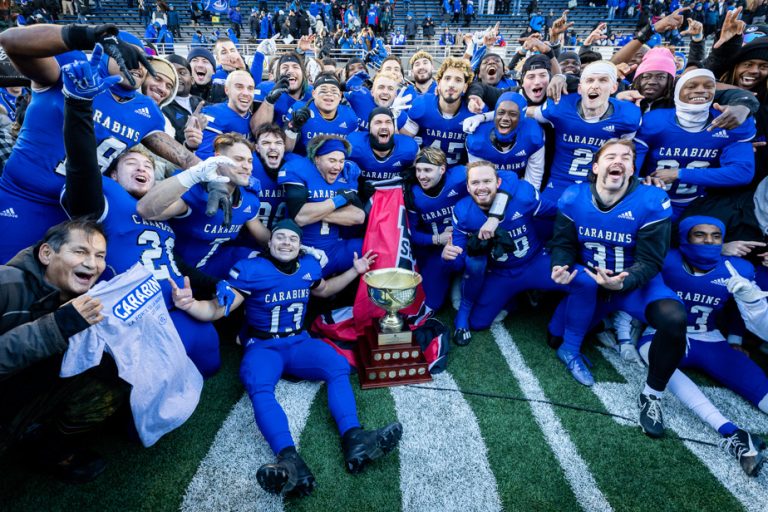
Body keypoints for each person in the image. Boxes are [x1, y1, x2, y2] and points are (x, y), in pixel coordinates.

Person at [170, 219, 402, 497]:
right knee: (258, 385)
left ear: (299, 245)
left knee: (337, 366)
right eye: (280, 237)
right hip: (263, 346)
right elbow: (217, 311)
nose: (286, 243)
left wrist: (355, 270)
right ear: (269, 242)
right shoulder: (251, 269)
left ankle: (355, 438)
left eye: (292, 239)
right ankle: (289, 460)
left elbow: (325, 289)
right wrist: (191, 304)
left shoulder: (308, 266)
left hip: (299, 342)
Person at [0, 24, 201, 264]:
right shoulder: (76, 68)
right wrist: (84, 35)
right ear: (105, 52)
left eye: (142, 59)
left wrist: (216, 174)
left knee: (57, 292)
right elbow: (9, 40)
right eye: (128, 52)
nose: (136, 63)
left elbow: (186, 158)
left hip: (77, 215)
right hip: (23, 197)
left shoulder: (146, 111)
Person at [548, 139, 687, 436]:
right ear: (596, 166)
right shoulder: (574, 197)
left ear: (633, 168)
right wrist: (559, 266)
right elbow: (562, 244)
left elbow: (651, 261)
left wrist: (623, 281)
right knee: (554, 336)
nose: (619, 160)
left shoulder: (650, 200)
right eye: (611, 156)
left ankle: (652, 395)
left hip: (635, 284)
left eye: (627, 157)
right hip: (592, 283)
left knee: (674, 318)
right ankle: (584, 339)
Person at [633, 216, 768, 475]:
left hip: (710, 338)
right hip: (664, 336)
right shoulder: (666, 259)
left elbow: (742, 312)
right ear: (685, 237)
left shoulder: (736, 268)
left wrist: (735, 339)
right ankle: (733, 434)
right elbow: (639, 295)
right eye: (700, 235)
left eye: (716, 236)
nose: (708, 241)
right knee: (659, 366)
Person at [0, 218, 127, 483]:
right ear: (47, 253)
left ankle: (43, 448)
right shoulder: (5, 284)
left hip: (26, 394)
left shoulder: (87, 297)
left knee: (106, 383)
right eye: (80, 251)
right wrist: (58, 326)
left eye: (100, 255)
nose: (93, 264)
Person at [137, 133, 271, 279]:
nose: (246, 166)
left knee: (264, 263)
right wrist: (192, 175)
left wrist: (290, 237)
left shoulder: (248, 198)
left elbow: (264, 238)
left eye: (250, 161)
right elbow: (146, 210)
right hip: (177, 268)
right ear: (218, 159)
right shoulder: (195, 189)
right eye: (238, 159)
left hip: (213, 263)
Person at [635, 69, 756, 219]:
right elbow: (632, 170)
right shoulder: (653, 120)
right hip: (652, 201)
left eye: (708, 86)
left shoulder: (730, 121)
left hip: (701, 204)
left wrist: (679, 174)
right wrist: (641, 182)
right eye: (691, 86)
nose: (700, 91)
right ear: (677, 92)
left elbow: (742, 173)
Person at [530, 61, 641, 204]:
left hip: (597, 186)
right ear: (580, 89)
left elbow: (628, 152)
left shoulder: (627, 116)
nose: (595, 85)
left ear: (614, 87)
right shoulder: (560, 106)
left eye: (603, 80)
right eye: (590, 80)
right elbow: (526, 112)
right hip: (558, 184)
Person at [278, 135, 365, 278]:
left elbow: (358, 216)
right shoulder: (298, 169)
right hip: (304, 249)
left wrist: (313, 212)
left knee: (375, 250)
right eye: (332, 160)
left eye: (341, 161)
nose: (337, 166)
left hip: (335, 247)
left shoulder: (346, 173)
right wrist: (338, 201)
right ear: (317, 158)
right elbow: (299, 217)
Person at [401, 57, 478, 166]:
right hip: (427, 171)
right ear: (438, 83)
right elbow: (402, 140)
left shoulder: (474, 110)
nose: (451, 84)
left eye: (458, 80)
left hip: (460, 173)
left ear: (465, 87)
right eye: (447, 78)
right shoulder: (423, 104)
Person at [465, 91, 545, 188]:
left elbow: (533, 183)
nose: (505, 118)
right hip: (488, 188)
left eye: (513, 114)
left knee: (526, 197)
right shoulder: (478, 138)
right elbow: (480, 182)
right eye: (501, 113)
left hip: (518, 186)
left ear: (521, 119)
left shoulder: (532, 136)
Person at [186, 70, 255, 159]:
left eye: (250, 88)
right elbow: (203, 157)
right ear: (227, 90)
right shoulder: (214, 114)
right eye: (239, 87)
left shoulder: (254, 114)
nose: (246, 93)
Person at [284, 72, 357, 155]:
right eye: (323, 90)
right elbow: (286, 150)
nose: (329, 94)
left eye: (333, 91)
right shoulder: (300, 109)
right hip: (305, 163)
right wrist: (293, 129)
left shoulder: (349, 115)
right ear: (313, 93)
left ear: (340, 95)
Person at [346, 107, 419, 188]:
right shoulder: (354, 144)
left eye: (388, 122)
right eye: (378, 122)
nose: (384, 126)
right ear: (370, 128)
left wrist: (413, 172)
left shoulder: (408, 147)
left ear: (393, 127)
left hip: (394, 196)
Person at [162, 54, 204, 145]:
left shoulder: (202, 103)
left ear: (192, 80)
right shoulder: (161, 106)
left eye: (182, 73)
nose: (177, 77)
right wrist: (187, 130)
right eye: (171, 73)